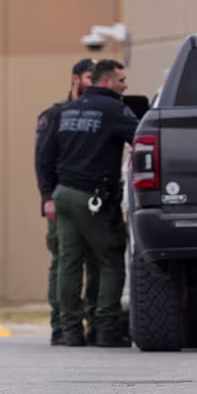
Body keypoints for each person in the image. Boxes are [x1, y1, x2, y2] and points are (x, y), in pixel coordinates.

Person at [52, 59, 139, 347]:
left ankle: (70, 331)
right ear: (106, 82)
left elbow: (49, 154)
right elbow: (142, 138)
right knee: (110, 259)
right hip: (93, 197)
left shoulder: (68, 110)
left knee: (69, 263)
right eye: (120, 80)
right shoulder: (114, 109)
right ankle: (106, 330)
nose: (124, 84)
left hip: (63, 193)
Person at [35, 59, 96, 344]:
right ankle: (61, 324)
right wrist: (46, 197)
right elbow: (43, 159)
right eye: (89, 76)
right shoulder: (56, 114)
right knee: (63, 260)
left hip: (93, 199)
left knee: (95, 260)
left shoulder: (101, 111)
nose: (94, 81)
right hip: (60, 198)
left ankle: (93, 322)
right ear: (75, 79)